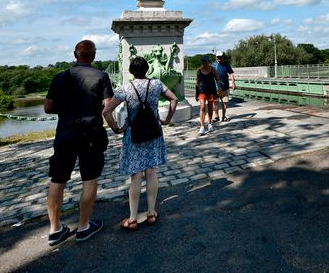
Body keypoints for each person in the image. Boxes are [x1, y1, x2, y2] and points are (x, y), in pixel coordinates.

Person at [44, 40, 117, 245]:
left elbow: (48, 108)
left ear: (75, 54)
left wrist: (67, 109)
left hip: (65, 134)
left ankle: (55, 229)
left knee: (57, 180)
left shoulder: (60, 77)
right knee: (89, 179)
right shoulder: (101, 76)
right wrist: (116, 128)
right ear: (93, 56)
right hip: (90, 135)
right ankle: (84, 226)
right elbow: (108, 107)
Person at [103, 56, 178, 231]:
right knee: (151, 172)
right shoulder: (157, 84)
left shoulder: (126, 89)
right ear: (147, 69)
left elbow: (106, 111)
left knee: (136, 175)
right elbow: (174, 99)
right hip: (153, 131)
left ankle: (133, 218)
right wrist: (166, 120)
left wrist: (116, 128)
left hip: (134, 134)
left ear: (131, 71)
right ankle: (151, 213)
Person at [195, 55, 221, 135]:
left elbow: (217, 79)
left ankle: (209, 124)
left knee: (210, 107)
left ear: (208, 62)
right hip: (202, 91)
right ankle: (202, 126)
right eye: (203, 61)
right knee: (202, 107)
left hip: (211, 91)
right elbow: (197, 82)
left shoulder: (213, 70)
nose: (204, 63)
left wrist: (219, 89)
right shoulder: (199, 71)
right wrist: (196, 93)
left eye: (205, 61)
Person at [211, 51, 236, 122]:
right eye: (218, 57)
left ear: (223, 57)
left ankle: (224, 116)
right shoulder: (213, 65)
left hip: (225, 87)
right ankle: (216, 117)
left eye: (220, 56)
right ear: (216, 57)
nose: (219, 58)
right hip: (215, 88)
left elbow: (231, 74)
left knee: (224, 102)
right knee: (215, 102)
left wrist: (233, 83)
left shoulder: (226, 64)